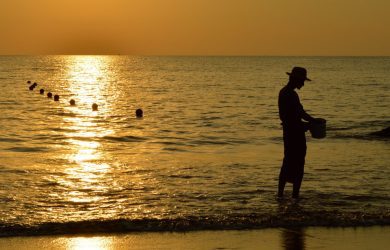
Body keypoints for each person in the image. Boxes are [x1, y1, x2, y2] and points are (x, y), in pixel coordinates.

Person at [278, 67, 316, 198]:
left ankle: (280, 194)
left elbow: (291, 117)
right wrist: (312, 122)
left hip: (288, 133)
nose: (303, 84)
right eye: (302, 81)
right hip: (295, 134)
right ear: (295, 79)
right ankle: (295, 196)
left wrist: (309, 122)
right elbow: (299, 114)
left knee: (287, 162)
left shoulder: (283, 92)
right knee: (299, 164)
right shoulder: (291, 94)